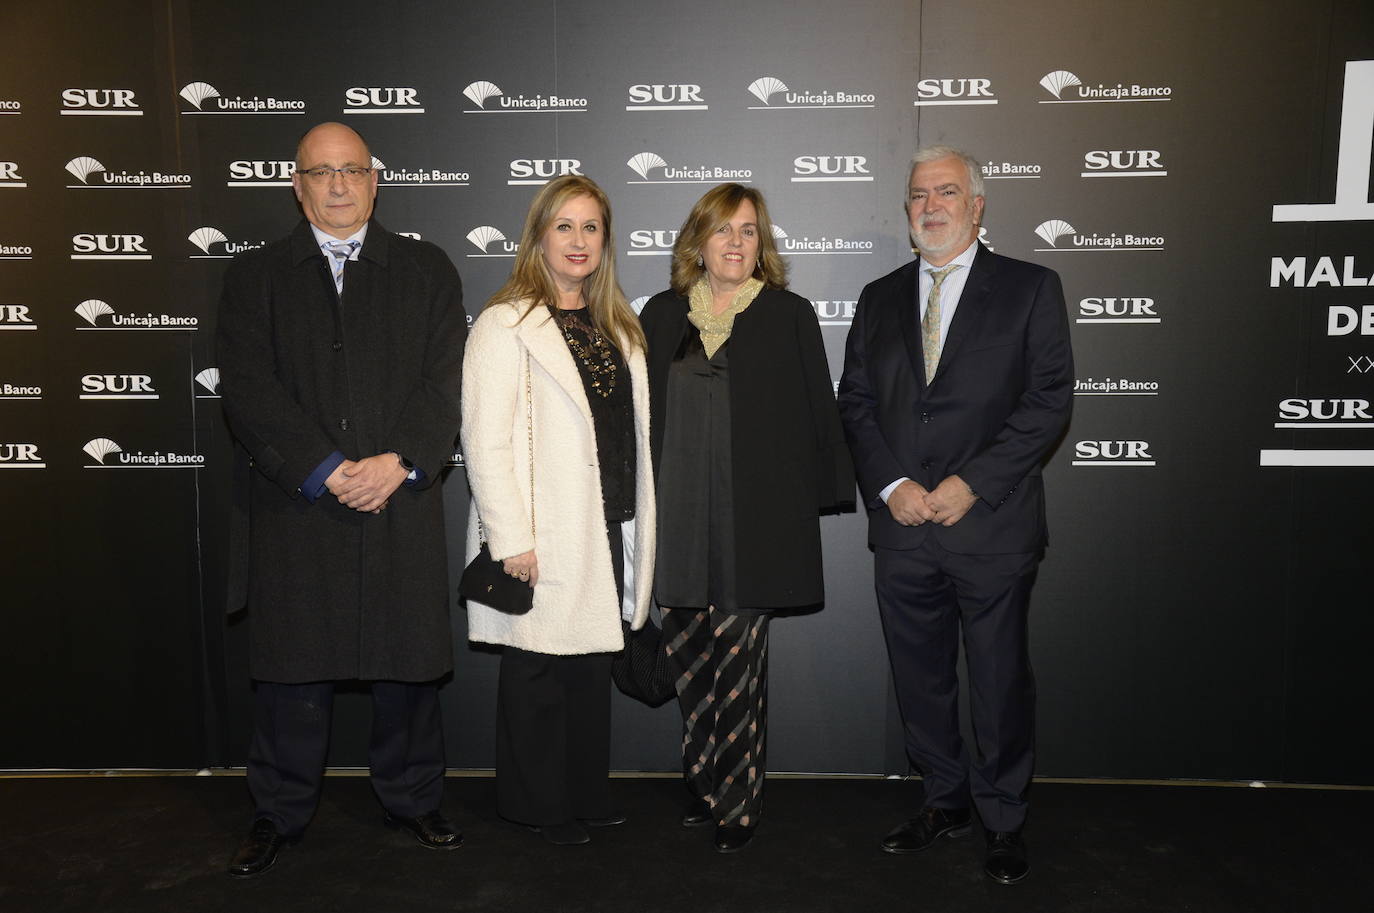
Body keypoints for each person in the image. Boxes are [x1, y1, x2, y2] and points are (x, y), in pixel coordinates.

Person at [216, 122, 467, 877]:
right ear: (296, 186)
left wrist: (401, 461)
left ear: (375, 180)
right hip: (300, 505)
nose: (337, 185)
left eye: (351, 170)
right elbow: (249, 390)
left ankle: (415, 798)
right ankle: (278, 809)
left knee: (406, 666)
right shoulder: (255, 276)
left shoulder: (426, 268)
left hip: (399, 497)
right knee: (294, 669)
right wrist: (324, 467)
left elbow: (448, 379)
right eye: (320, 172)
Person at [836, 146, 1073, 884]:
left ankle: (1002, 816)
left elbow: (1047, 402)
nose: (930, 205)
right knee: (920, 677)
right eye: (917, 195)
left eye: (945, 192)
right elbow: (857, 402)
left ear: (977, 205)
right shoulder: (878, 297)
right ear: (905, 211)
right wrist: (892, 484)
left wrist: (973, 482)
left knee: (999, 678)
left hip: (991, 525)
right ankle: (943, 799)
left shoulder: (1031, 288)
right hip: (903, 526)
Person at [639, 183, 853, 854]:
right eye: (723, 229)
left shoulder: (788, 312)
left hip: (751, 523)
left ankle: (739, 801)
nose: (736, 242)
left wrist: (822, 494)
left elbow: (820, 406)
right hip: (671, 520)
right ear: (697, 240)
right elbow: (637, 417)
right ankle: (704, 784)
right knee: (689, 664)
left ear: (763, 244)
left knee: (738, 667)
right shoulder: (661, 313)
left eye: (750, 231)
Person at [461, 175, 655, 847]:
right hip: (539, 529)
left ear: (606, 239)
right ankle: (536, 806)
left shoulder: (617, 325)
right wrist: (510, 537)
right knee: (537, 669)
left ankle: (585, 795)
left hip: (604, 521)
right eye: (564, 226)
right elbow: (483, 440)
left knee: (589, 669)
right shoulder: (503, 323)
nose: (578, 241)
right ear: (539, 235)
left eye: (591, 227)